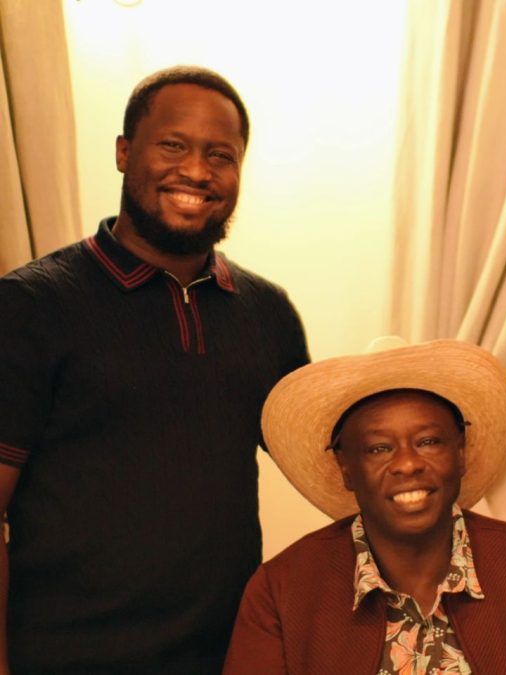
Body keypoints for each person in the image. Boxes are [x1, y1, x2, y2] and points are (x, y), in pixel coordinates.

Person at [0, 66, 309, 673]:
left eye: (221, 155)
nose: (196, 171)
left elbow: (333, 468)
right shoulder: (29, 306)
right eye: (174, 145)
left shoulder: (268, 313)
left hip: (229, 657)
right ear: (123, 152)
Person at [224, 338, 506, 674]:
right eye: (379, 448)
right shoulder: (283, 590)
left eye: (428, 441)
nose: (408, 464)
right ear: (346, 468)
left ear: (460, 454)